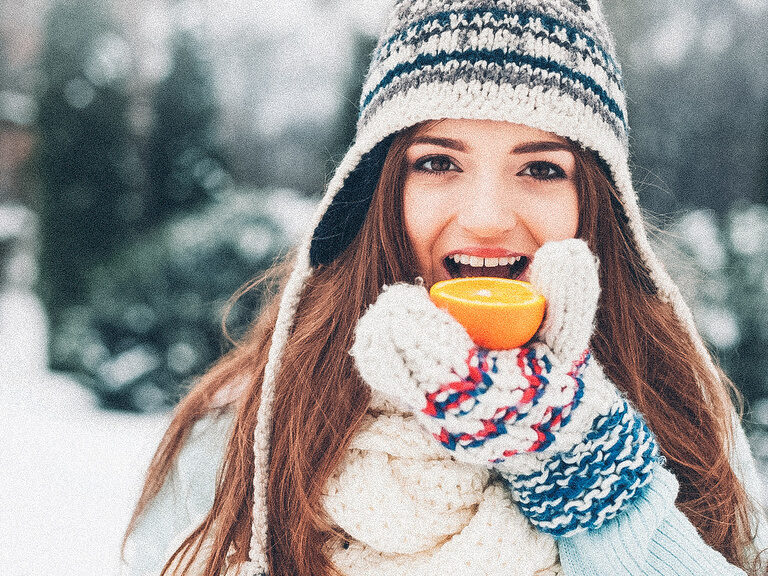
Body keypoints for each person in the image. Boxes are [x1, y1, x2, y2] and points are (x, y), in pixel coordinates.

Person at [122, 1, 768, 575]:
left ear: (598, 203)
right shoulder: (252, 426)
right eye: (437, 162)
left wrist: (584, 466)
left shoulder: (679, 408)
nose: (487, 216)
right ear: (376, 190)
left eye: (541, 168)